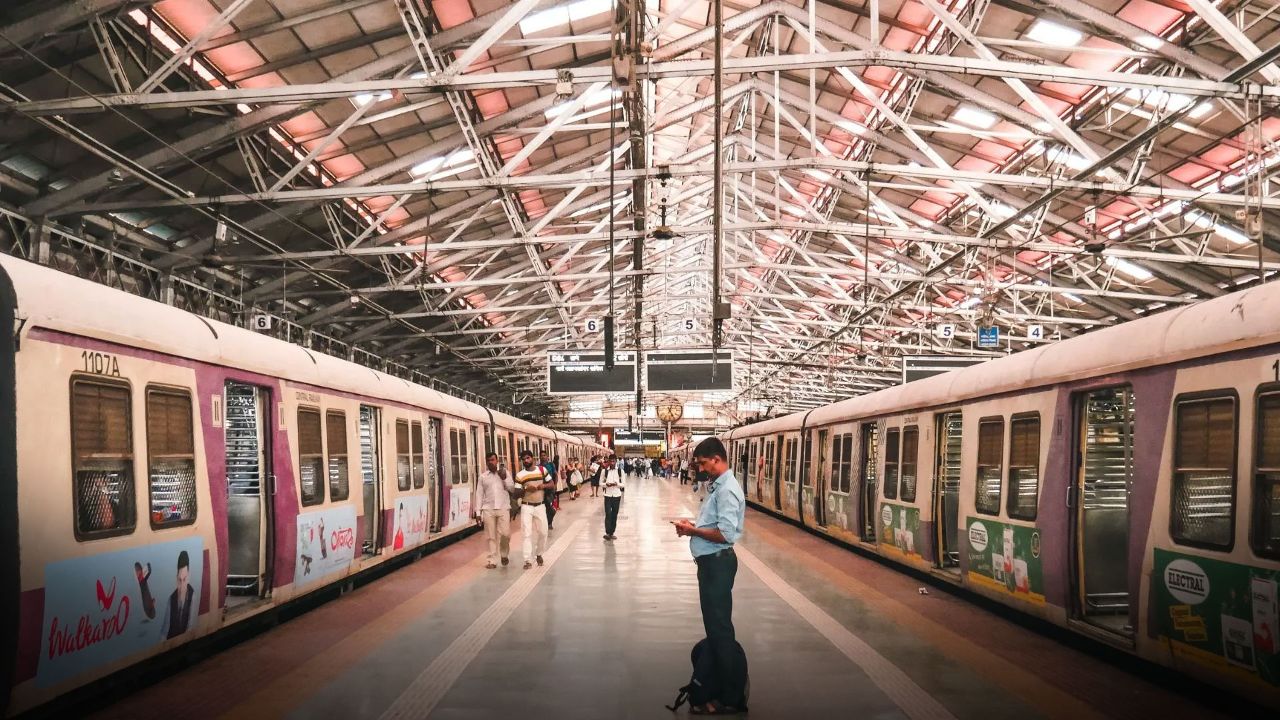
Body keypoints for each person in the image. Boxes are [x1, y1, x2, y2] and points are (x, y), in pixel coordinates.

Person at [673, 438, 745, 715]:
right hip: (712, 564)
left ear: (716, 459)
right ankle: (719, 688)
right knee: (717, 630)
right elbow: (715, 526)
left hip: (717, 565)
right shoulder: (720, 487)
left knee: (720, 632)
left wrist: (693, 532)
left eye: (703, 463)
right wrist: (694, 526)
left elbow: (725, 534)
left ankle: (731, 697)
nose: (702, 469)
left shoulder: (726, 490)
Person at [516, 449, 554, 569]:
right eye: (523, 459)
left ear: (532, 458)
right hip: (526, 506)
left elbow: (552, 484)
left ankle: (539, 553)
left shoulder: (542, 470)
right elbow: (516, 493)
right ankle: (527, 560)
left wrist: (543, 485)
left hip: (540, 505)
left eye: (528, 458)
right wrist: (526, 489)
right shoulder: (520, 475)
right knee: (526, 533)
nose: (526, 461)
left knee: (543, 532)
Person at [477, 452, 515, 569]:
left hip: (503, 508)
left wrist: (504, 479)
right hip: (488, 509)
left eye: (493, 460)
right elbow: (479, 495)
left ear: (497, 461)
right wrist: (478, 512)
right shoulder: (483, 477)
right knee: (490, 536)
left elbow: (512, 489)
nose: (490, 462)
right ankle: (492, 560)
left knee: (505, 534)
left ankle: (504, 554)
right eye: (488, 460)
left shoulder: (505, 473)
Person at [160, 550, 195, 640]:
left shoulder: (193, 595)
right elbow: (164, 632)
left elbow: (190, 627)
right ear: (176, 579)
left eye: (184, 579)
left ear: (189, 577)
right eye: (179, 580)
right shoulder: (171, 600)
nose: (182, 586)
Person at [601, 456, 625, 541]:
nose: (612, 463)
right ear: (608, 462)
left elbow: (623, 484)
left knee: (614, 514)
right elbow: (600, 483)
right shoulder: (604, 471)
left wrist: (617, 484)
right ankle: (607, 533)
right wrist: (606, 485)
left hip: (616, 496)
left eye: (613, 461)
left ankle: (612, 533)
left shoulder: (620, 471)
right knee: (608, 514)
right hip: (607, 495)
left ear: (616, 461)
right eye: (610, 461)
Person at [540, 451, 559, 531]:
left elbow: (555, 475)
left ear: (547, 456)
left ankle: (550, 522)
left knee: (551, 507)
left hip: (551, 489)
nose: (543, 457)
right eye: (541, 456)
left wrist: (555, 485)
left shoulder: (551, 465)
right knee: (545, 507)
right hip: (542, 489)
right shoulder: (538, 466)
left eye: (544, 455)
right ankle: (546, 523)